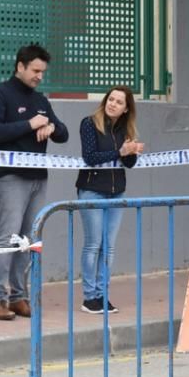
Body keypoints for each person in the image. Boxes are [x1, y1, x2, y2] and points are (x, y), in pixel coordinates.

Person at [0, 44, 68, 320]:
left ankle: (19, 297)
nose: (39, 76)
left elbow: (63, 134)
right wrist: (29, 125)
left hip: (38, 179)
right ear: (20, 66)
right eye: (35, 70)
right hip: (9, 177)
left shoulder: (41, 101)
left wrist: (51, 127)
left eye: (43, 71)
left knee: (27, 241)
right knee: (6, 238)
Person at [76, 86, 145, 314]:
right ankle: (89, 297)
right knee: (93, 244)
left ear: (126, 109)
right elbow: (90, 157)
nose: (112, 104)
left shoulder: (126, 129)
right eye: (110, 99)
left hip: (117, 191)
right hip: (92, 189)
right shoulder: (89, 123)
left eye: (118, 102)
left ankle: (102, 295)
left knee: (109, 247)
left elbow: (130, 165)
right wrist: (120, 152)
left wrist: (132, 151)